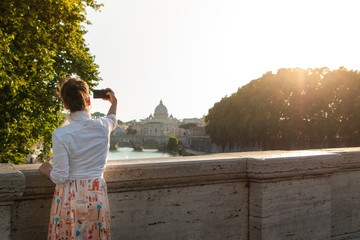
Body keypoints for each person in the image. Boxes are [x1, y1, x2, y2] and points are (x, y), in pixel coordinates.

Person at [39, 77, 117, 240]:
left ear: (66, 105)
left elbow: (60, 176)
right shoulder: (103, 126)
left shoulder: (60, 134)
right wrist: (113, 102)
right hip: (96, 196)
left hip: (70, 198)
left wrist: (46, 169)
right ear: (88, 100)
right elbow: (112, 119)